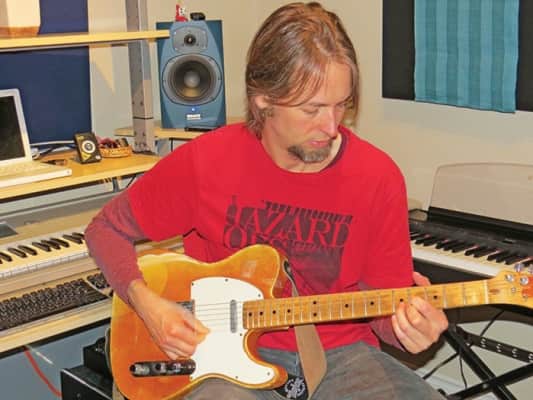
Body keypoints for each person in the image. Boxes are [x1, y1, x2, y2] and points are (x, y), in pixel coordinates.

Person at [85, 2, 448, 399]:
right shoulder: (207, 161)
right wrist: (149, 307)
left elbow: (384, 310)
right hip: (218, 356)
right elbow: (105, 231)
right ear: (263, 100)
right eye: (312, 109)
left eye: (341, 105)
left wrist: (408, 327)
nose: (331, 126)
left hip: (341, 355)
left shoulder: (377, 177)